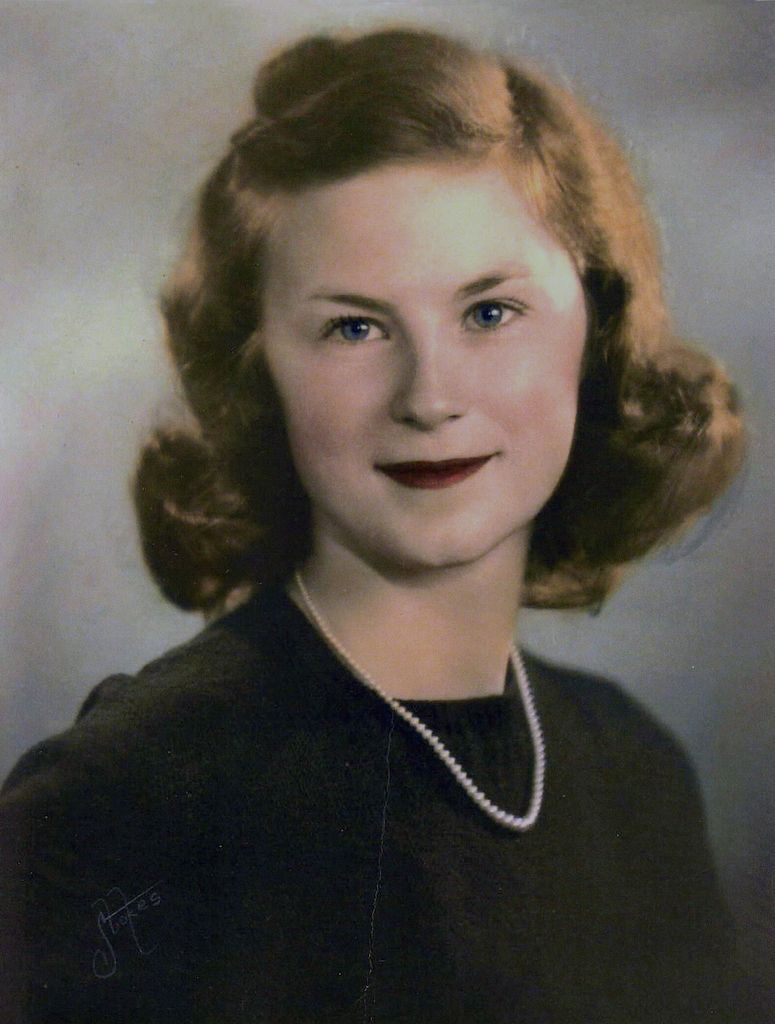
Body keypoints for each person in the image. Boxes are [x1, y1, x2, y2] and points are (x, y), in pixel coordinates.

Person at [0, 24, 749, 1024]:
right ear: (257, 370)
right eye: (352, 327)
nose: (429, 396)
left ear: (595, 325)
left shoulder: (634, 774)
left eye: (489, 312)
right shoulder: (125, 797)